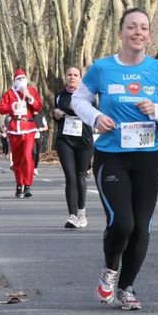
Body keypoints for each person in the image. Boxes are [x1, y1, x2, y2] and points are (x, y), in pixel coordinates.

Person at [71, 7, 158, 310]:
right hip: (112, 157)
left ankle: (127, 286)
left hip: (147, 158)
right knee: (122, 222)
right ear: (120, 32)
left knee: (141, 226)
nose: (138, 32)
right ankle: (110, 270)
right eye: (132, 27)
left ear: (149, 35)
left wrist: (156, 111)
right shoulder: (102, 68)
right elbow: (78, 99)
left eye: (144, 28)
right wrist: (95, 117)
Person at [54, 66, 95, 229]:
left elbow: (94, 114)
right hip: (64, 139)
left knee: (80, 175)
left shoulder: (89, 95)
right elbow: (56, 114)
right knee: (70, 176)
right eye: (69, 74)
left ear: (80, 78)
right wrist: (55, 115)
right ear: (65, 77)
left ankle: (81, 211)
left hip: (84, 140)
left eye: (75, 75)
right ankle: (72, 215)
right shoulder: (60, 95)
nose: (72, 77)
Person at [0, 69, 43, 198]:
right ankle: (19, 184)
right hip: (14, 128)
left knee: (27, 156)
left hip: (28, 127)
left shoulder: (32, 91)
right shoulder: (9, 93)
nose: (21, 81)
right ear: (15, 81)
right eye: (19, 79)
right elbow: (0, 108)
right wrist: (11, 106)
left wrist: (29, 97)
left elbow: (38, 107)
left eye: (23, 79)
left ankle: (27, 185)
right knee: (17, 159)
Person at [32, 111, 49, 175]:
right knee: (33, 152)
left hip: (39, 136)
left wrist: (42, 129)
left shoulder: (41, 117)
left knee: (38, 154)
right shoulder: (29, 117)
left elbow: (46, 127)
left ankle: (35, 168)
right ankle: (31, 167)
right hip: (31, 137)